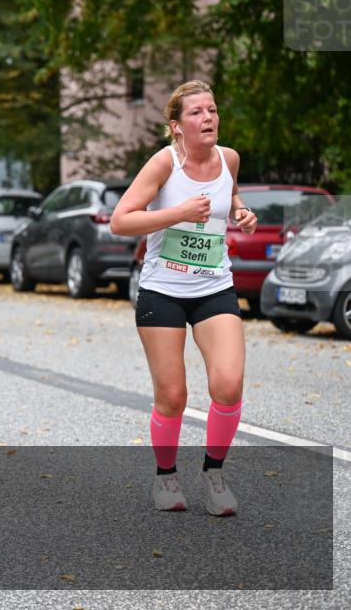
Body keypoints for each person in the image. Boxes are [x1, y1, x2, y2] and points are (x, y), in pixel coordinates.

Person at [110, 80, 258, 516]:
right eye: (196, 113)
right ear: (176, 126)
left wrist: (241, 213)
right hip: (163, 290)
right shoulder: (163, 164)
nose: (208, 118)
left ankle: (214, 473)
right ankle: (166, 478)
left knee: (228, 386)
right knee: (173, 395)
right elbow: (121, 220)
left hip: (214, 286)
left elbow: (229, 196)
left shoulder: (228, 159)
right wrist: (177, 213)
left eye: (211, 110)